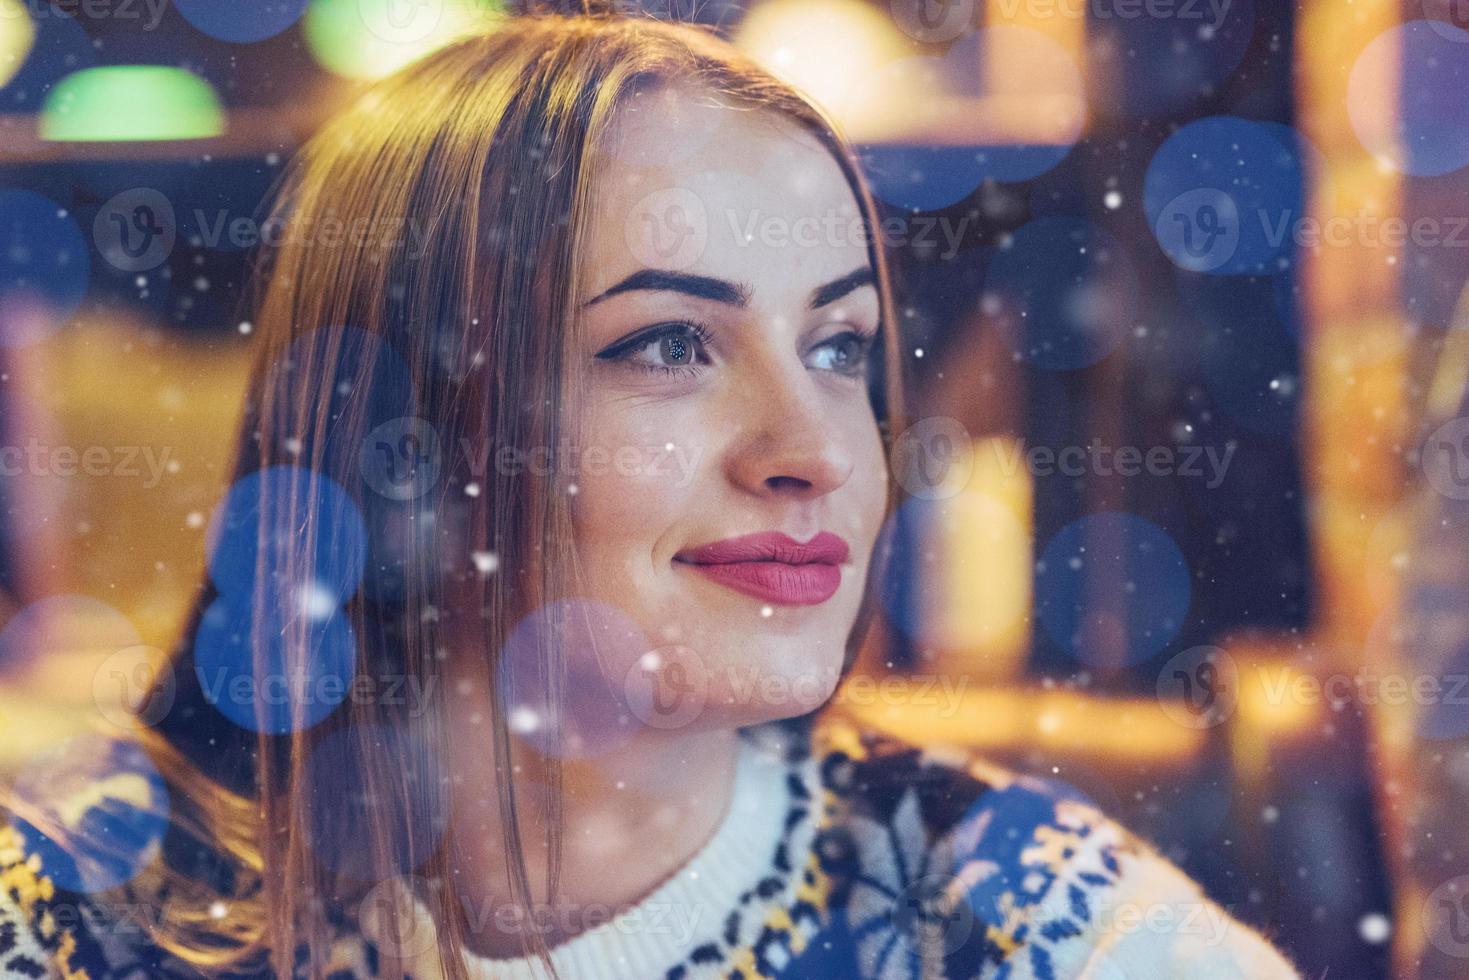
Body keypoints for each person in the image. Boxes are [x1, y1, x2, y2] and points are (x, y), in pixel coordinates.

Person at [0, 5, 1303, 978]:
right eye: (670, 345)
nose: (819, 450)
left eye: (838, 347)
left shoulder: (1027, 922)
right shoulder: (70, 908)